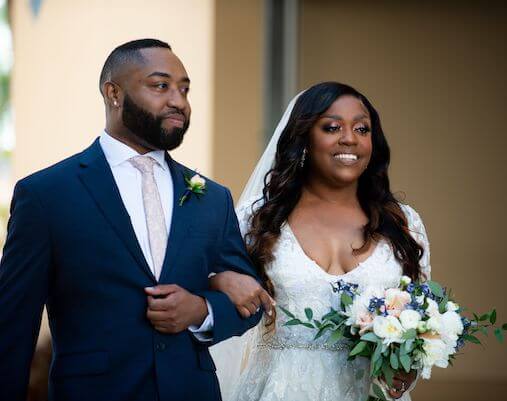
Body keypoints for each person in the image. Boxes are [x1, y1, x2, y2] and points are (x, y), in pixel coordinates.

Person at [0, 38, 272, 401]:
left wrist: (201, 309)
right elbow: (13, 324)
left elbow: (249, 301)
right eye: (161, 86)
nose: (178, 101)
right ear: (114, 93)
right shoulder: (47, 194)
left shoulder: (212, 198)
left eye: (184, 89)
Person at [211, 82, 431, 401]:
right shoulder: (256, 220)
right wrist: (221, 280)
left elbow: (421, 322)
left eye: (362, 128)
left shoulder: (405, 224)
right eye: (331, 127)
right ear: (304, 139)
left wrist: (407, 366)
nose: (349, 138)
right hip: (279, 390)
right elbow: (218, 303)